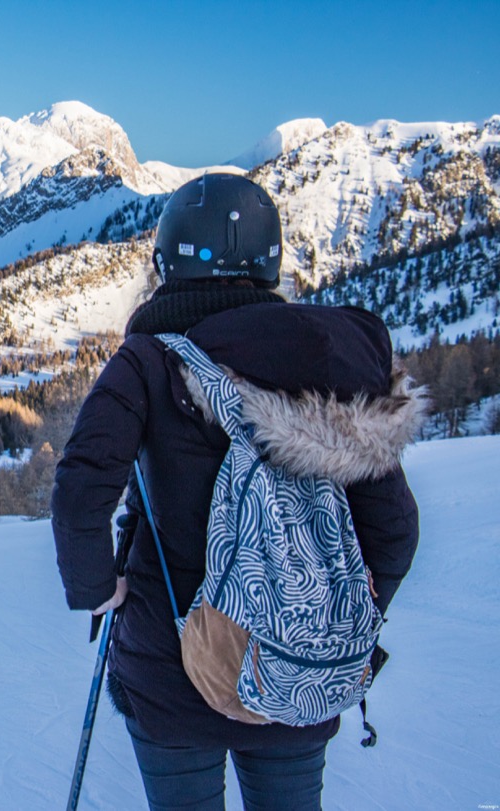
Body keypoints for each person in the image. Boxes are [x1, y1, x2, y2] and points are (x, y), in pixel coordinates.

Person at [51, 173, 425, 811]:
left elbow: (82, 490)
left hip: (171, 671)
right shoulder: (331, 370)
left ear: (168, 259)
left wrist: (96, 589)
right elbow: (394, 529)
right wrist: (339, 618)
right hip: (299, 673)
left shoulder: (146, 361)